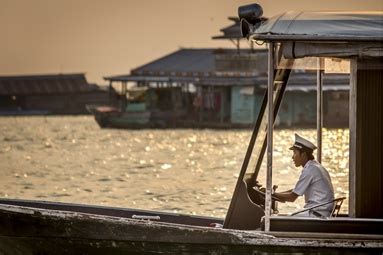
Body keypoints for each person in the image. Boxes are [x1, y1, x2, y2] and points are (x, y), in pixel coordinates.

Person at [273, 134, 335, 217]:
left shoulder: (310, 170)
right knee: (285, 217)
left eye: (295, 153)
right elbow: (295, 191)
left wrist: (272, 194)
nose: (292, 157)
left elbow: (292, 197)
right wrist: (274, 193)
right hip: (321, 213)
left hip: (317, 215)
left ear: (304, 154)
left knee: (282, 221)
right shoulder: (314, 166)